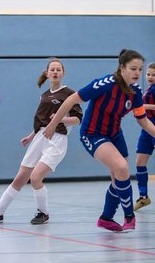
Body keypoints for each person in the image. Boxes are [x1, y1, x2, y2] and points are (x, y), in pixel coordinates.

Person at [44, 49, 155, 232]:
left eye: (140, 69)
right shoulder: (104, 84)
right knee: (122, 167)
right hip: (92, 133)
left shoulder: (135, 92)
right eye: (133, 68)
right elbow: (71, 100)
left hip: (115, 134)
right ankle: (129, 216)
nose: (137, 73)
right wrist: (52, 125)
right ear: (122, 68)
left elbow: (143, 121)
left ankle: (106, 218)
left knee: (119, 178)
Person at [0, 58, 83, 225]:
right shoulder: (45, 95)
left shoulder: (69, 93)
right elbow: (41, 122)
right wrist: (31, 135)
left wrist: (60, 120)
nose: (55, 72)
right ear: (47, 73)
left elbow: (78, 120)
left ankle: (44, 213)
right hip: (40, 137)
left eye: (58, 69)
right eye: (52, 69)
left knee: (35, 178)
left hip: (56, 140)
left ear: (63, 73)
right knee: (19, 178)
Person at [134, 62, 155, 211]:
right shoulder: (148, 89)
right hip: (146, 129)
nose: (150, 77)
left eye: (153, 74)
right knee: (140, 163)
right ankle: (143, 197)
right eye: (148, 74)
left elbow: (145, 106)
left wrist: (144, 106)